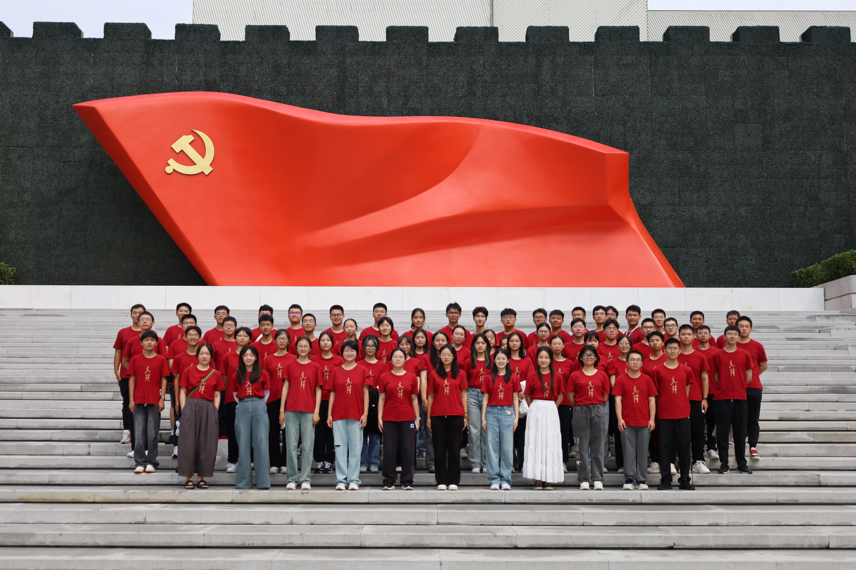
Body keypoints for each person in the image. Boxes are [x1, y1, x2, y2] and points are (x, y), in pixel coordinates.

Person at [178, 343, 224, 489]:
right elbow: (182, 391)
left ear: (211, 356)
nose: (204, 356)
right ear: (197, 355)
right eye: (202, 353)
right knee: (188, 443)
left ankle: (201, 478)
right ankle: (189, 478)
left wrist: (214, 410)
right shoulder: (188, 371)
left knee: (206, 443)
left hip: (208, 408)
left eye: (207, 354)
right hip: (191, 407)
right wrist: (184, 409)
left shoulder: (216, 374)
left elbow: (217, 394)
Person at [327, 340, 371, 490]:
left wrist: (365, 413)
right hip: (338, 414)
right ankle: (341, 480)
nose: (349, 353)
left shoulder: (363, 370)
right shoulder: (335, 371)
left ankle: (353, 479)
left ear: (357, 353)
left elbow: (366, 393)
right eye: (346, 350)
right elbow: (332, 393)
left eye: (352, 350)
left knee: (355, 448)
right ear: (342, 353)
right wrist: (329, 414)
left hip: (356, 414)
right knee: (339, 448)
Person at [280, 337, 322, 490]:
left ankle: (305, 479)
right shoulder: (289, 365)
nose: (303, 348)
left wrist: (316, 411)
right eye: (300, 346)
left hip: (309, 410)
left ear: (310, 349)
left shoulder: (315, 366)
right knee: (291, 446)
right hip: (291, 409)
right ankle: (292, 478)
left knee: (307, 446)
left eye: (306, 346)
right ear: (296, 348)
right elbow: (285, 387)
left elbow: (318, 390)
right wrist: (282, 409)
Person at [652, 338, 694, 490]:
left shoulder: (686, 370)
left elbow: (686, 391)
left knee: (684, 448)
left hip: (682, 413)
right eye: (669, 348)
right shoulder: (657, 370)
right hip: (664, 414)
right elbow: (656, 394)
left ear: (680, 350)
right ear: (664, 350)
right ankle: (665, 479)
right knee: (664, 448)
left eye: (675, 348)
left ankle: (685, 479)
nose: (672, 351)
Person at [120, 311, 166, 452]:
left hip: (152, 386)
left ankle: (149, 452)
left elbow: (163, 365)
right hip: (135, 385)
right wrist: (135, 371)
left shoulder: (159, 341)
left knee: (152, 423)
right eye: (142, 319)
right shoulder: (132, 341)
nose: (145, 321)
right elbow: (125, 360)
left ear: (153, 322)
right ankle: (136, 449)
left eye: (148, 319)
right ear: (137, 322)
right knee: (136, 418)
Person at [711, 325, 754, 475]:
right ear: (724, 336)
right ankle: (724, 463)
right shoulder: (717, 355)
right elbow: (716, 377)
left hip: (740, 397)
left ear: (739, 337)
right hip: (722, 398)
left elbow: (749, 375)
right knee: (722, 432)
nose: (732, 336)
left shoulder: (745, 354)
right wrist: (725, 387)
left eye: (735, 334)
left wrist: (739, 386)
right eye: (729, 333)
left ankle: (741, 463)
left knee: (740, 432)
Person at [567, 345, 610, 490]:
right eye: (585, 355)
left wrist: (598, 406)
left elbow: (605, 395)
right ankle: (583, 478)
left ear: (596, 357)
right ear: (580, 358)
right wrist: (579, 407)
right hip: (580, 410)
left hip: (598, 409)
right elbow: (571, 396)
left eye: (592, 355)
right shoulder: (575, 375)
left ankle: (597, 478)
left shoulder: (602, 375)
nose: (589, 357)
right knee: (581, 446)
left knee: (598, 446)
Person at [614, 350, 657, 490]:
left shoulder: (647, 379)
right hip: (627, 421)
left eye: (638, 360)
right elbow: (618, 400)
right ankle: (629, 478)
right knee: (628, 451)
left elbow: (652, 400)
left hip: (644, 421)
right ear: (626, 362)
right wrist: (620, 419)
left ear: (642, 363)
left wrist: (652, 419)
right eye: (632, 360)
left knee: (643, 451)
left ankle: (642, 480)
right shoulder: (620, 379)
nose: (635, 362)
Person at [378, 348, 421, 490]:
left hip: (407, 417)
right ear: (390, 360)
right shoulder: (384, 377)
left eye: (400, 357)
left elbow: (414, 399)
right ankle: (389, 480)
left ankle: (407, 480)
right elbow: (381, 398)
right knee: (389, 449)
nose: (398, 359)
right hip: (389, 417)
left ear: (405, 360)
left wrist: (417, 417)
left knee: (408, 449)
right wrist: (379, 417)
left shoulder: (412, 377)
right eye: (395, 356)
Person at [127, 330, 169, 473]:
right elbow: (132, 379)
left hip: (154, 401)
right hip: (138, 401)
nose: (149, 343)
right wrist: (131, 399)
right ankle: (139, 462)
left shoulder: (161, 359)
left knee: (152, 434)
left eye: (152, 340)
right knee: (138, 434)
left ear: (156, 343)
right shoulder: (135, 359)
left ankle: (152, 461)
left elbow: (164, 379)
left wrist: (162, 398)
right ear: (141, 343)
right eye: (146, 340)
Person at [427, 345, 468, 490]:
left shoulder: (461, 373)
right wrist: (429, 416)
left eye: (449, 354)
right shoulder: (434, 374)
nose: (446, 357)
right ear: (439, 356)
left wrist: (465, 415)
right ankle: (441, 481)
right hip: (437, 415)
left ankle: (453, 480)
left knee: (454, 449)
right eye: (443, 354)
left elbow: (464, 395)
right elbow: (430, 396)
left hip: (456, 414)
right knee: (439, 450)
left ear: (454, 356)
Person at [523, 347, 564, 490]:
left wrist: (552, 407)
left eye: (546, 357)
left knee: (550, 443)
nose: (543, 360)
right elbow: (527, 395)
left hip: (551, 409)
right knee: (536, 441)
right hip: (535, 409)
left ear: (551, 359)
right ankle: (538, 478)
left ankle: (549, 478)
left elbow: (561, 395)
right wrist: (535, 407)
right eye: (540, 357)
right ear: (536, 359)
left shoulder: (557, 376)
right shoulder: (532, 376)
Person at [233, 345, 271, 490]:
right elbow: (234, 393)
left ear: (256, 357)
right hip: (242, 405)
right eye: (245, 355)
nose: (248, 357)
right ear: (241, 357)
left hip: (259, 405)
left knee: (261, 442)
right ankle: (243, 482)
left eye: (251, 355)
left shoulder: (263, 373)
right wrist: (244, 403)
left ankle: (263, 482)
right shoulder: (237, 374)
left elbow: (266, 392)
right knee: (243, 444)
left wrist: (258, 404)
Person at [480, 348, 519, 490]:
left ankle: (506, 479)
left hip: (508, 412)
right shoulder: (488, 377)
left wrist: (516, 417)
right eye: (498, 358)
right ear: (494, 360)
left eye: (503, 358)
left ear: (508, 360)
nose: (501, 361)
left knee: (507, 448)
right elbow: (485, 398)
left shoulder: (513, 377)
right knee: (492, 447)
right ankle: (494, 479)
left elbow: (515, 398)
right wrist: (483, 417)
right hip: (491, 412)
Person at [677, 324, 711, 474]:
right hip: (677, 400)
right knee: (678, 432)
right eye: (683, 334)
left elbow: (705, 378)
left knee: (697, 431)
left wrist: (705, 398)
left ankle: (698, 460)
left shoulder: (700, 356)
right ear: (678, 336)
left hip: (696, 399)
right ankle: (680, 461)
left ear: (694, 337)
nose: (686, 337)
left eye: (689, 334)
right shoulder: (674, 355)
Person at [220, 327, 253, 473]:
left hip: (250, 397)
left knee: (249, 430)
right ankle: (232, 460)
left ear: (250, 339)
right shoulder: (228, 356)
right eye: (239, 335)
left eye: (245, 336)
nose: (242, 338)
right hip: (231, 398)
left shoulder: (254, 356)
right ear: (235, 337)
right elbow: (225, 378)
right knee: (233, 429)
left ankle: (249, 459)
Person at [262, 329, 295, 474]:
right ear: (275, 340)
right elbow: (263, 380)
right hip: (272, 399)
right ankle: (274, 463)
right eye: (279, 338)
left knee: (289, 431)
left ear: (289, 341)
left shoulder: (294, 358)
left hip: (291, 399)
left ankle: (286, 462)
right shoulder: (268, 359)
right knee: (273, 431)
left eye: (284, 338)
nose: (282, 341)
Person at [311, 332, 344, 474]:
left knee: (332, 432)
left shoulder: (339, 360)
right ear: (319, 343)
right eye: (322, 340)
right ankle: (319, 460)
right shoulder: (313, 359)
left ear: (332, 343)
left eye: (328, 340)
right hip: (317, 400)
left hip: (334, 400)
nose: (325, 342)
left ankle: (329, 461)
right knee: (318, 431)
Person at [737, 316, 768, 459]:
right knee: (739, 418)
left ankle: (753, 446)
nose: (744, 328)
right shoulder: (732, 345)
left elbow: (763, 365)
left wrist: (752, 376)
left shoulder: (757, 346)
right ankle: (740, 444)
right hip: (736, 389)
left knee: (753, 418)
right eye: (741, 326)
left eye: (746, 326)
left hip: (754, 387)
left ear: (751, 329)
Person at [170, 325, 202, 458]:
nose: (192, 337)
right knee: (180, 421)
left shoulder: (204, 356)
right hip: (183, 395)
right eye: (190, 334)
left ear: (200, 337)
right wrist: (177, 399)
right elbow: (176, 379)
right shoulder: (179, 357)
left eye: (195, 335)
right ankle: (177, 447)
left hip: (200, 396)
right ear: (185, 337)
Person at [359, 336, 387, 473]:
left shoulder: (382, 365)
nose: (370, 348)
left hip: (377, 400)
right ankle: (363, 462)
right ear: (363, 347)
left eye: (373, 345)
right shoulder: (358, 364)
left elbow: (384, 383)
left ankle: (374, 462)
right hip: (361, 400)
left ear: (377, 348)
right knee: (362, 433)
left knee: (375, 434)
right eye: (368, 345)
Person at [466, 333, 492, 474]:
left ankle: (486, 462)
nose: (480, 345)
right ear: (473, 345)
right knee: (474, 429)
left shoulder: (492, 361)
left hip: (488, 396)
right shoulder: (468, 362)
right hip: (472, 395)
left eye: (483, 343)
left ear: (487, 345)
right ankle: (475, 462)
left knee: (486, 429)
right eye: (477, 343)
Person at [507, 332, 532, 471]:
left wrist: (523, 394)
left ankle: (522, 462)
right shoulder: (504, 359)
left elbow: (531, 378)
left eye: (517, 341)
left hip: (522, 398)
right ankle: (511, 462)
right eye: (512, 340)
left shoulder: (527, 360)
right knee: (509, 433)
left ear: (521, 343)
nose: (514, 343)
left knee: (522, 433)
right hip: (507, 398)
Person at [696, 325, 721, 460]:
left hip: (714, 391)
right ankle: (698, 448)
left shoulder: (717, 352)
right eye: (700, 333)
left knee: (712, 420)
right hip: (696, 392)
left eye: (706, 333)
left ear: (710, 335)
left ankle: (711, 447)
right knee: (698, 423)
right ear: (696, 335)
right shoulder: (692, 351)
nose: (703, 335)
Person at [550, 335, 574, 470]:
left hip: (565, 402)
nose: (557, 346)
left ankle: (563, 461)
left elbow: (572, 383)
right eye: (554, 344)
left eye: (559, 344)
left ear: (564, 346)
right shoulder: (546, 361)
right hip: (549, 401)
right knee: (550, 432)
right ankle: (551, 460)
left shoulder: (569, 363)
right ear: (550, 346)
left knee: (563, 432)